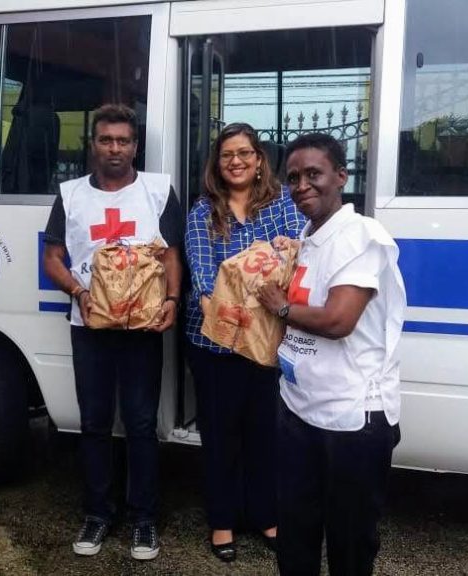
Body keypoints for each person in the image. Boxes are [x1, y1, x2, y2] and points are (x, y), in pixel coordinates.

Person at [257, 133, 406, 576]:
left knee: (350, 542)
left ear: (341, 176)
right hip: (299, 407)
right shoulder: (307, 239)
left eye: (313, 174)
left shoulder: (360, 235)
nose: (302, 185)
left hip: (351, 419)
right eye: (293, 177)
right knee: (295, 533)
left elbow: (340, 321)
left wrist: (280, 308)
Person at [41, 104, 184, 561]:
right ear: (93, 145)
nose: (115, 148)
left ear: (135, 146)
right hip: (90, 325)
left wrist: (171, 299)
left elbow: (171, 255)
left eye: (123, 140)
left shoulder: (157, 191)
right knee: (95, 423)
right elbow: (52, 257)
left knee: (141, 424)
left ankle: (144, 519)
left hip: (142, 326)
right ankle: (97, 513)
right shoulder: (71, 195)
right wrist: (78, 292)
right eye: (106, 140)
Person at [184, 123, 305, 562]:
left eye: (244, 153)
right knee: (221, 436)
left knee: (264, 433)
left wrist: (290, 246)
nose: (235, 161)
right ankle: (222, 521)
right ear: (217, 164)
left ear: (258, 161)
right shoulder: (204, 210)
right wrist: (217, 303)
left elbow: (301, 249)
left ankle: (265, 515)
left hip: (266, 339)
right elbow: (202, 269)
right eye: (226, 155)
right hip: (215, 340)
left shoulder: (283, 203)